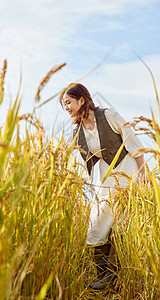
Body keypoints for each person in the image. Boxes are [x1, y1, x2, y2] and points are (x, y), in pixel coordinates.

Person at [59, 83, 145, 290]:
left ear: (81, 100)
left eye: (68, 102)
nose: (66, 107)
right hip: (104, 178)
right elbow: (60, 155)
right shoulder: (76, 131)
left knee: (121, 224)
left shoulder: (109, 116)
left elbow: (135, 144)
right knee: (96, 224)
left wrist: (142, 175)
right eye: (63, 105)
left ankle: (113, 277)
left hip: (127, 172)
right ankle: (103, 276)